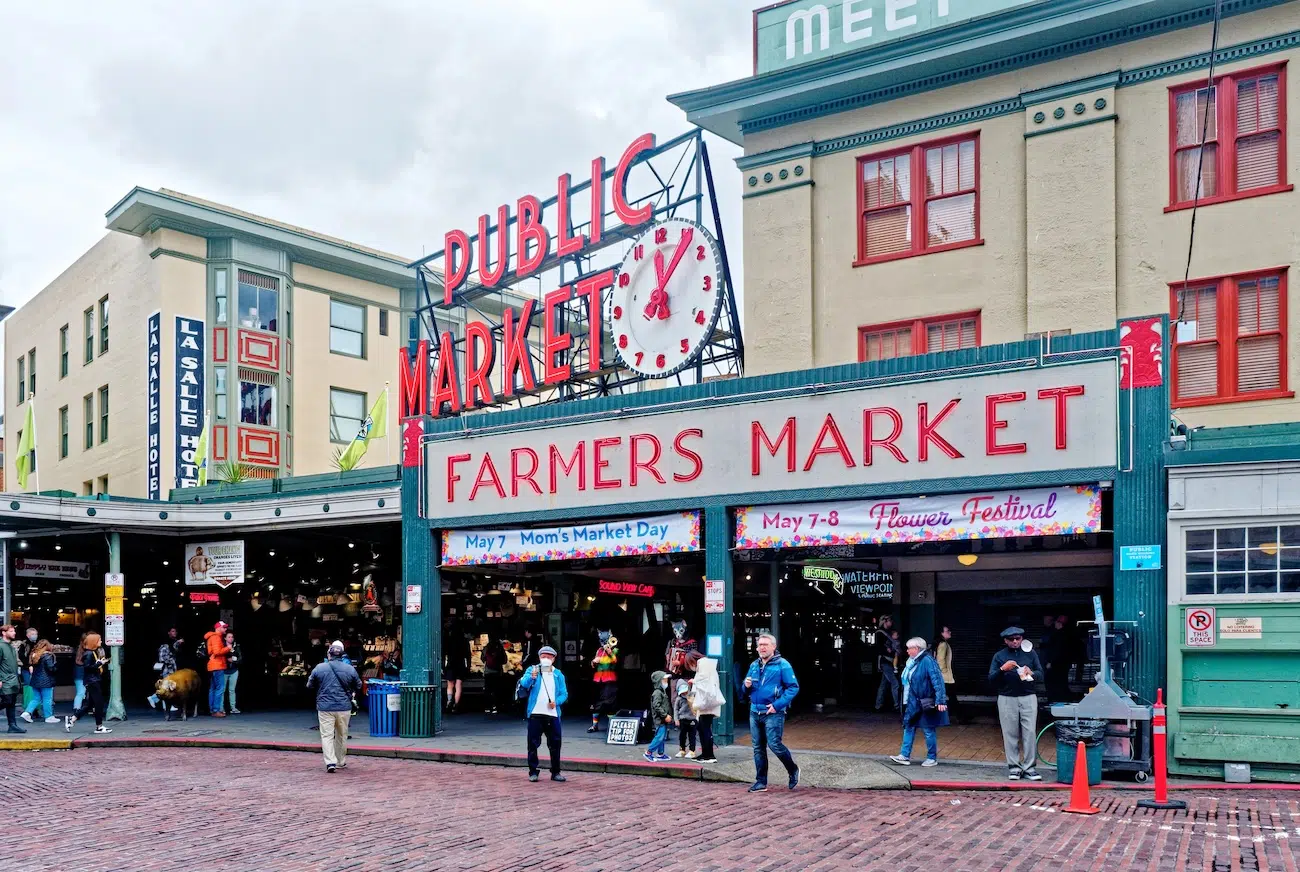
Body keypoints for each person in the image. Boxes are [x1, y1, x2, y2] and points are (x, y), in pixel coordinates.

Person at [741, 633, 800, 793]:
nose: (762, 647)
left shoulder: (783, 664)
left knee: (774, 744)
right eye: (760, 645)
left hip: (773, 712)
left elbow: (793, 687)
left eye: (765, 644)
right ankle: (761, 782)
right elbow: (744, 690)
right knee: (758, 748)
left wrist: (777, 705)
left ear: (773, 647)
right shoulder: (754, 665)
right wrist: (745, 686)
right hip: (755, 711)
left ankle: (793, 769)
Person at [988, 626, 1044, 781]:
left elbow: (1041, 673)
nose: (1015, 641)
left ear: (1022, 639)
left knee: (1030, 732)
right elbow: (991, 679)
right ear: (1005, 641)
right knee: (1009, 733)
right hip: (1007, 698)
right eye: (1011, 639)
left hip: (1028, 696)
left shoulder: (1031, 653)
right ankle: (1014, 767)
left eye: (1018, 638)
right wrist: (1002, 669)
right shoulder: (999, 656)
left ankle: (1029, 767)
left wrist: (1031, 672)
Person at [889, 637, 949, 767]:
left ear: (916, 649)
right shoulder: (912, 661)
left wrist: (940, 700)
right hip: (912, 701)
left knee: (928, 729)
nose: (907, 651)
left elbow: (937, 681)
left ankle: (931, 758)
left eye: (909, 648)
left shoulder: (927, 661)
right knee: (909, 726)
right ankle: (904, 755)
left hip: (923, 701)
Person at [307, 641, 362, 773]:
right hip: (344, 706)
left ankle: (330, 762)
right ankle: (340, 761)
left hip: (325, 706)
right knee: (341, 735)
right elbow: (359, 685)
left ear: (329, 654)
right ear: (342, 655)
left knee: (326, 735)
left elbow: (309, 685)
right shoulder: (349, 669)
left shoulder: (319, 668)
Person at [517, 645, 568, 782]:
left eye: (549, 657)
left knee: (555, 744)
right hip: (535, 713)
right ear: (539, 657)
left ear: (553, 659)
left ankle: (555, 772)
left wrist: (556, 702)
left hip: (552, 714)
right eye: (543, 656)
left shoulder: (558, 674)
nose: (546, 659)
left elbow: (564, 693)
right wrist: (532, 677)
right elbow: (525, 684)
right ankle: (533, 771)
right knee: (532, 744)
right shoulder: (533, 669)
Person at [65, 633, 111, 734]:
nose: (101, 641)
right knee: (99, 703)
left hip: (93, 680)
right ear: (93, 642)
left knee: (90, 704)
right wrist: (99, 663)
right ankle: (99, 726)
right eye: (99, 640)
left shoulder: (91, 652)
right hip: (92, 681)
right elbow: (87, 667)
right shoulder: (89, 653)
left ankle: (72, 719)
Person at [690, 657, 724, 764]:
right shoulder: (711, 674)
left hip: (706, 707)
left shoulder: (706, 677)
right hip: (706, 707)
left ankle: (708, 755)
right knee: (703, 729)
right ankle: (706, 753)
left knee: (705, 730)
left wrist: (694, 682)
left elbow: (707, 691)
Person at [20, 639, 58, 723]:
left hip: (35, 680)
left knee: (36, 698)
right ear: (47, 646)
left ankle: (27, 712)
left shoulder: (34, 655)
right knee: (47, 698)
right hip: (46, 680)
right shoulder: (48, 656)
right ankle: (48, 716)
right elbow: (51, 668)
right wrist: (56, 667)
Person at [0, 625, 26, 734]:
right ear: (4, 633)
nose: (14, 632)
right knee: (7, 701)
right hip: (5, 679)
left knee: (12, 703)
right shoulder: (1, 646)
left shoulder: (10, 646)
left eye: (14, 630)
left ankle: (12, 725)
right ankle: (12, 725)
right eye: (11, 631)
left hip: (13, 679)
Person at [147, 628, 182, 710]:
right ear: (168, 632)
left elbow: (174, 649)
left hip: (171, 670)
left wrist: (178, 643)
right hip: (167, 670)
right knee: (167, 688)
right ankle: (153, 698)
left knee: (168, 688)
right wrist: (171, 661)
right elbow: (162, 657)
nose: (175, 633)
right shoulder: (165, 645)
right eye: (173, 631)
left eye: (175, 631)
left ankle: (166, 705)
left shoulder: (172, 643)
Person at [643, 670, 672, 763]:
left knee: (662, 736)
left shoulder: (661, 691)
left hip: (662, 719)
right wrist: (665, 715)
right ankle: (649, 752)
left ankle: (660, 754)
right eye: (664, 680)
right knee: (660, 736)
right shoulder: (657, 693)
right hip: (660, 719)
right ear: (659, 681)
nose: (666, 682)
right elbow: (657, 706)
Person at [204, 621, 232, 717]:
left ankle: (212, 709)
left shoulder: (212, 637)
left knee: (213, 688)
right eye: (224, 627)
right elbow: (217, 652)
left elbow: (210, 652)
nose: (225, 629)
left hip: (213, 665)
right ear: (218, 628)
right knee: (219, 688)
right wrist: (228, 648)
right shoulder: (216, 638)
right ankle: (216, 710)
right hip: (217, 665)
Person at [874, 616, 901, 713]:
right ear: (885, 621)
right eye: (890, 620)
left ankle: (878, 704)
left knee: (883, 684)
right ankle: (896, 705)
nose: (891, 622)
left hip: (887, 662)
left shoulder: (885, 633)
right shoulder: (881, 634)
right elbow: (881, 648)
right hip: (886, 661)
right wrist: (889, 651)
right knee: (895, 684)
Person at [934, 626, 961, 724]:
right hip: (946, 677)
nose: (949, 632)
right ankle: (959, 717)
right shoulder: (943, 644)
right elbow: (940, 659)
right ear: (942, 633)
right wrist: (944, 671)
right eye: (947, 631)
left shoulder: (942, 644)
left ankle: (957, 716)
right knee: (951, 697)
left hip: (944, 676)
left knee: (947, 697)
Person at [444, 627, 469, 714]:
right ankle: (456, 705)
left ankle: (449, 701)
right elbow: (468, 655)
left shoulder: (449, 641)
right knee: (458, 685)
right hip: (460, 665)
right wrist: (468, 667)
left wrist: (444, 667)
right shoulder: (464, 641)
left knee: (450, 685)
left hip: (450, 665)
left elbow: (444, 654)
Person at [481, 634, 506, 715]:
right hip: (497, 671)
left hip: (488, 671)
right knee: (496, 689)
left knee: (488, 689)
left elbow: (482, 658)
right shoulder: (500, 648)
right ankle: (495, 706)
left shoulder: (486, 647)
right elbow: (505, 660)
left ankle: (487, 707)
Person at [674, 682, 698, 759]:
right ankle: (682, 750)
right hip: (682, 719)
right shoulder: (678, 699)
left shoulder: (693, 696)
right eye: (683, 692)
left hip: (692, 719)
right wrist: (676, 719)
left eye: (686, 691)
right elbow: (676, 709)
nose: (684, 693)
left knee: (692, 736)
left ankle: (692, 751)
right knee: (682, 736)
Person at [225, 631, 242, 714]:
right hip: (224, 670)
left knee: (232, 690)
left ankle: (233, 707)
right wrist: (227, 660)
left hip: (234, 670)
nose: (231, 638)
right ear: (225, 638)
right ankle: (220, 708)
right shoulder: (222, 646)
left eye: (232, 637)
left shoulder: (236, 646)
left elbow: (240, 658)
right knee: (222, 690)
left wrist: (235, 660)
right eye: (229, 637)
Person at [71, 632, 87, 713]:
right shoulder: (85, 650)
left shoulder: (78, 649)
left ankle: (78, 708)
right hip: (82, 674)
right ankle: (77, 709)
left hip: (78, 674)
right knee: (81, 692)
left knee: (80, 692)